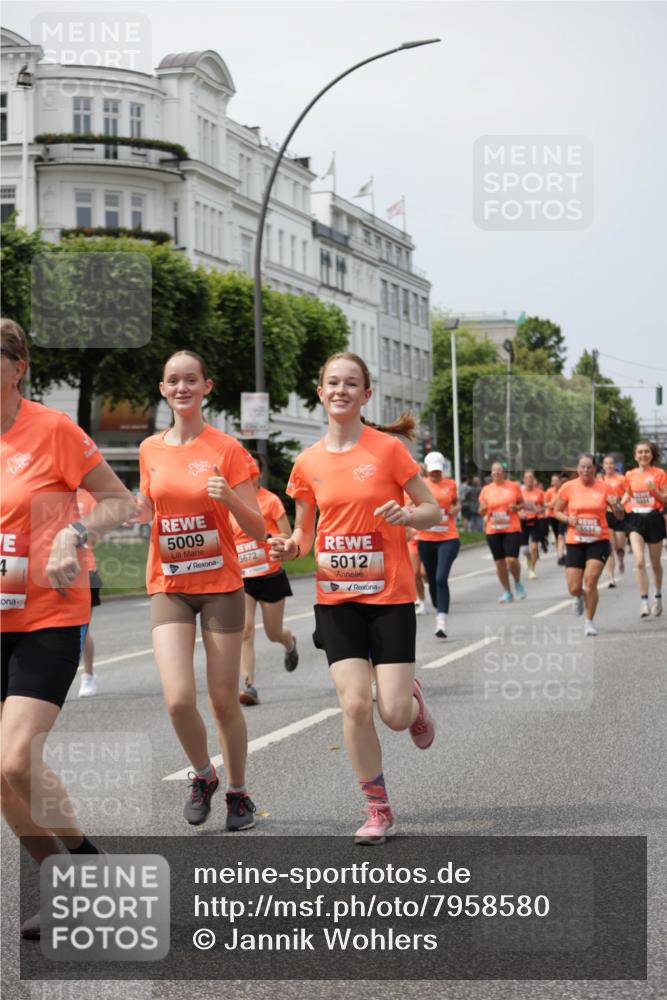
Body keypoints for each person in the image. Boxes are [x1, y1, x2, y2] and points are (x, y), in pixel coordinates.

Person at [270, 351, 441, 845]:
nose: (341, 390)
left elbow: (430, 509)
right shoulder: (308, 462)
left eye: (351, 384)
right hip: (336, 599)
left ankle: (413, 700)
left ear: (366, 395)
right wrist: (289, 548)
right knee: (354, 705)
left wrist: (409, 517)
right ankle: (377, 808)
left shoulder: (387, 450)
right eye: (332, 383)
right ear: (319, 393)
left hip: (388, 598)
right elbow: (305, 535)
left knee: (393, 714)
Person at [0, 318, 134, 940]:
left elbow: (119, 501)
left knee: (15, 757)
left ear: (17, 366)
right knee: (1, 775)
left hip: (49, 614)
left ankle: (90, 869)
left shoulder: (52, 430)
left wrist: (74, 534)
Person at [134, 350, 265, 831]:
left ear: (207, 386)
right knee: (177, 699)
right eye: (174, 380)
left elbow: (256, 530)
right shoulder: (150, 449)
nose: (182, 387)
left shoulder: (226, 449)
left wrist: (228, 495)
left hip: (220, 587)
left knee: (223, 700)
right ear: (163, 389)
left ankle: (237, 792)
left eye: (192, 379)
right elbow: (148, 510)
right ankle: (204, 775)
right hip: (169, 584)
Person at [231, 452, 298, 706]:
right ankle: (249, 685)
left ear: (258, 474)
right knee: (245, 630)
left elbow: (288, 534)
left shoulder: (270, 501)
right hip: (243, 577)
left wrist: (268, 536)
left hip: (270, 574)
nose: (249, 477)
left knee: (273, 632)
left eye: (253, 472)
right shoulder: (233, 502)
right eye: (244, 473)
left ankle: (288, 641)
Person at [553, 453, 625, 636]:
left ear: (595, 468)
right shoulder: (568, 487)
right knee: (574, 587)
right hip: (575, 541)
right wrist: (568, 519)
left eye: (589, 467)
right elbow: (556, 511)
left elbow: (620, 515)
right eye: (582, 467)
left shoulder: (605, 488)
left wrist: (616, 505)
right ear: (578, 469)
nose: (585, 470)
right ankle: (577, 597)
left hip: (598, 540)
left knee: (590, 581)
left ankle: (589, 622)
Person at [416, 451, 460, 637]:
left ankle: (441, 621)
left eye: (438, 471)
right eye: (433, 471)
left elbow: (456, 504)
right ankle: (437, 604)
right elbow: (411, 504)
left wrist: (455, 509)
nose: (436, 474)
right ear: (427, 469)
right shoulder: (420, 485)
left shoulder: (450, 484)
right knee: (432, 579)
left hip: (448, 537)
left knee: (441, 578)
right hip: (426, 539)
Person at [621, 440, 667, 617]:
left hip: (653, 518)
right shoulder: (630, 474)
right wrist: (618, 504)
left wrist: (654, 490)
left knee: (655, 564)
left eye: (646, 452)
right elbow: (627, 494)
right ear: (635, 456)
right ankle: (644, 602)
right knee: (639, 561)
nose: (643, 455)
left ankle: (658, 596)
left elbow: (664, 499)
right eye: (640, 452)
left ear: (651, 454)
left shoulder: (659, 473)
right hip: (635, 519)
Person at [478, 462, 526, 603]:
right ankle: (507, 591)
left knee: (511, 560)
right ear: (491, 473)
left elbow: (522, 504)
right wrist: (483, 508)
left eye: (499, 470)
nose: (497, 473)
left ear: (504, 472)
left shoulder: (513, 487)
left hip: (511, 527)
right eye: (494, 471)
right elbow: (481, 511)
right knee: (499, 563)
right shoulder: (486, 490)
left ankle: (517, 582)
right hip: (493, 529)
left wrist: (516, 507)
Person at [76, 488, 102, 696]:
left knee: (81, 629)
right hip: (53, 572)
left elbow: (99, 529)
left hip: (86, 570)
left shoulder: (87, 497)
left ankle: (88, 675)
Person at [598, 455, 628, 588]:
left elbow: (629, 492)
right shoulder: (600, 481)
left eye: (611, 464)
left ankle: (621, 559)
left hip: (620, 515)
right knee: (609, 547)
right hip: (606, 515)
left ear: (614, 465)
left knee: (619, 547)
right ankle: (611, 577)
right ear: (603, 466)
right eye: (606, 464)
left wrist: (621, 503)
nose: (609, 466)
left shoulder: (621, 479)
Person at [519, 469, 546, 580]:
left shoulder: (539, 493)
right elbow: (515, 506)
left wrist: (539, 509)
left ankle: (532, 570)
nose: (529, 479)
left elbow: (544, 506)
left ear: (534, 479)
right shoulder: (519, 492)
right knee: (525, 550)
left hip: (535, 521)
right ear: (523, 479)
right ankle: (528, 558)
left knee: (534, 547)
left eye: (531, 477)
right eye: (527, 477)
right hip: (523, 522)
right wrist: (519, 513)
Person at [544, 473, 567, 565]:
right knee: (557, 537)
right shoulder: (549, 491)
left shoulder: (564, 490)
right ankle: (561, 553)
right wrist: (551, 503)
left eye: (556, 480)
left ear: (560, 481)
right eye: (553, 481)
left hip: (562, 515)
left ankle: (560, 556)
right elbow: (545, 504)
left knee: (561, 536)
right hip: (552, 516)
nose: (555, 482)